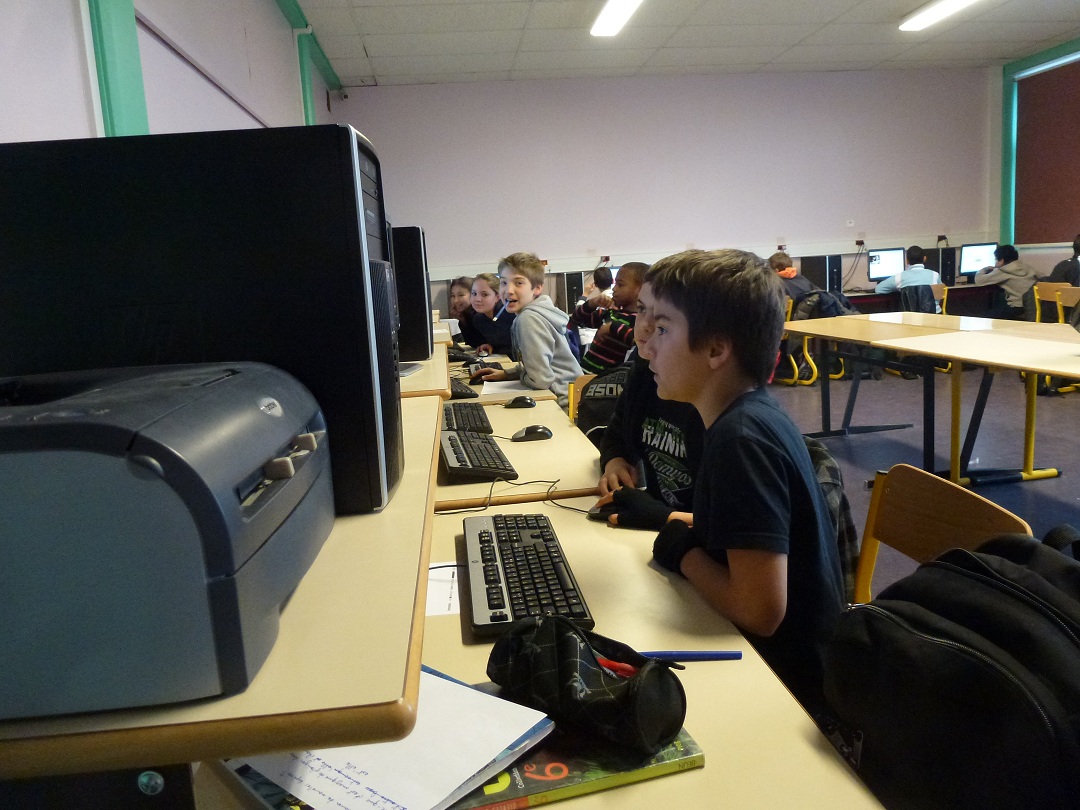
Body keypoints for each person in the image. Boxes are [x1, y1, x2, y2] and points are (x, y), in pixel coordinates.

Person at [640, 248, 844, 720]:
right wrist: (674, 523)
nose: (647, 346)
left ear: (716, 350)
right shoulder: (747, 414)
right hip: (783, 668)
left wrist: (683, 552)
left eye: (663, 329)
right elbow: (744, 533)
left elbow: (760, 612)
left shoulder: (741, 440)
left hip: (789, 693)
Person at [590, 278, 705, 531]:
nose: (644, 325)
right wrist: (615, 461)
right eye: (641, 309)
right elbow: (617, 432)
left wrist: (664, 517)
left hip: (686, 536)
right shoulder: (645, 370)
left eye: (662, 322)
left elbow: (737, 532)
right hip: (663, 529)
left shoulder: (720, 411)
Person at [472, 252, 582, 409]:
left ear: (537, 288)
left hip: (561, 404)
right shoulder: (535, 312)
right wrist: (507, 374)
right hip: (566, 397)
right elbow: (539, 368)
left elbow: (541, 380)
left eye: (518, 283)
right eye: (504, 282)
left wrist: (521, 376)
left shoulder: (528, 318)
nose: (508, 290)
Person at [572, 262, 647, 374]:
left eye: (620, 285)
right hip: (583, 374)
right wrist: (592, 303)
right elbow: (577, 319)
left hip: (605, 380)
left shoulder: (640, 320)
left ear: (640, 289)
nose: (614, 289)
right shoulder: (611, 312)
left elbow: (638, 341)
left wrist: (612, 327)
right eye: (615, 284)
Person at [973, 244, 1037, 320]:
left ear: (1001, 261)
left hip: (1017, 306)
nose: (995, 262)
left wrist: (984, 269)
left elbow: (979, 281)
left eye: (996, 259)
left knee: (984, 316)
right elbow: (1042, 277)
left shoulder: (1002, 271)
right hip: (1033, 305)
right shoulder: (1025, 266)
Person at [874, 245, 941, 311]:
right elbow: (940, 295)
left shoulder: (899, 277)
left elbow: (879, 289)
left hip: (910, 316)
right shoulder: (935, 275)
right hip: (934, 314)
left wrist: (897, 289)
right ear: (924, 258)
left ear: (907, 261)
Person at [466, 272, 514, 355]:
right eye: (474, 293)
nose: (477, 299)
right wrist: (490, 346)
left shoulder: (510, 314)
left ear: (498, 296)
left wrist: (497, 349)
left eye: (484, 294)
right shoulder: (479, 319)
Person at [447, 276, 474, 341]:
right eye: (453, 296)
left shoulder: (477, 315)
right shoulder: (466, 315)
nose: (455, 300)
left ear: (473, 294)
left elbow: (476, 343)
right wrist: (462, 320)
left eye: (461, 295)